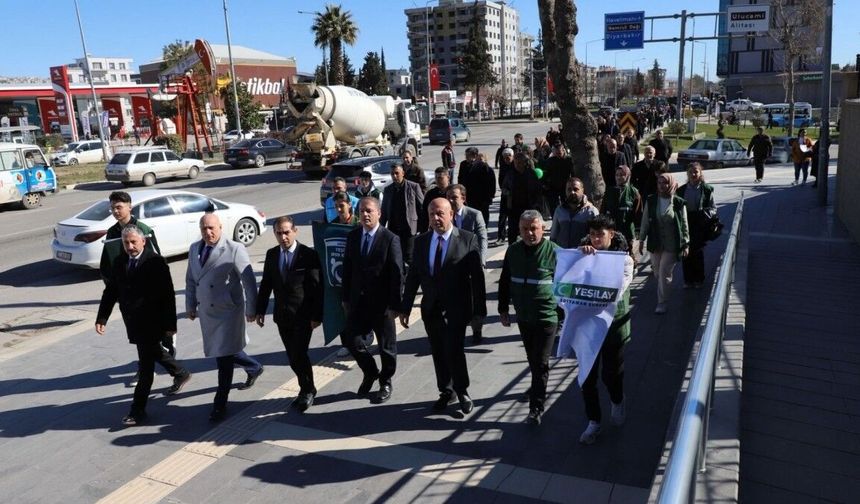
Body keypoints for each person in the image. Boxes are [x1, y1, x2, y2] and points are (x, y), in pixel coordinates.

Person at [96, 225, 192, 426]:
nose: (130, 246)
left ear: (143, 242)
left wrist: (170, 325)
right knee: (154, 352)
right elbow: (111, 291)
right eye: (126, 243)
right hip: (133, 322)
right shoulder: (119, 262)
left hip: (153, 322)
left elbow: (168, 296)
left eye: (133, 242)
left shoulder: (156, 262)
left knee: (146, 367)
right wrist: (102, 317)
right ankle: (180, 373)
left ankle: (137, 410)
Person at [400, 198, 486, 414]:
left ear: (451, 215)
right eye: (431, 215)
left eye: (440, 214)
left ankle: (462, 390)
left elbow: (477, 279)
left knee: (455, 350)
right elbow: (414, 276)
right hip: (431, 309)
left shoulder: (467, 239)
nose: (436, 218)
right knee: (438, 351)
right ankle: (446, 391)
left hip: (457, 308)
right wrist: (406, 306)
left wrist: (479, 312)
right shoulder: (421, 242)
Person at [186, 213, 263, 422]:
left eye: (212, 228)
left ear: (220, 227)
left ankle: (220, 403)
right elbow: (191, 280)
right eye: (204, 229)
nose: (208, 232)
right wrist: (190, 304)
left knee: (223, 358)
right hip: (208, 312)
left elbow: (248, 281)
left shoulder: (234, 248)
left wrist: (251, 309)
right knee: (224, 352)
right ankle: (254, 367)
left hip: (228, 311)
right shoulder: (195, 248)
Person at [576, 215, 634, 444]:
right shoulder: (582, 253)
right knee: (587, 377)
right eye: (592, 234)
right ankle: (593, 421)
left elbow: (615, 292)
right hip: (587, 327)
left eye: (601, 234)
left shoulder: (625, 261)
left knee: (611, 374)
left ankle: (618, 400)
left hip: (613, 327)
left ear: (612, 234)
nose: (596, 239)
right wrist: (581, 260)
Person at [255, 216, 323, 413]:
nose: (283, 237)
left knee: (299, 353)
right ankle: (307, 387)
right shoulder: (272, 254)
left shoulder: (308, 255)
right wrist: (260, 310)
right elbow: (266, 284)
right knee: (292, 357)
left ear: (295, 231)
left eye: (286, 232)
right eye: (279, 233)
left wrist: (317, 316)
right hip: (282, 316)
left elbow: (317, 288)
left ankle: (307, 390)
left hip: (303, 316)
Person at [99, 191, 166, 388]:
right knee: (140, 335)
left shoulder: (142, 229)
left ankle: (156, 369)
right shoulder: (112, 233)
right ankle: (171, 366)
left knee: (146, 336)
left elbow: (156, 260)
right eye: (112, 208)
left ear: (130, 207)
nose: (115, 211)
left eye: (119, 207)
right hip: (127, 297)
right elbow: (106, 266)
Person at [498, 210, 559, 426]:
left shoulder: (554, 252)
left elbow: (572, 277)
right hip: (524, 316)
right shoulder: (513, 251)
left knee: (541, 362)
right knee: (532, 359)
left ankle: (536, 407)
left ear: (543, 229)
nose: (529, 233)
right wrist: (503, 308)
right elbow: (505, 279)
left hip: (546, 317)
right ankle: (535, 387)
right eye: (525, 229)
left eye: (534, 228)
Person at [342, 197, 404, 404]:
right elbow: (347, 269)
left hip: (382, 305)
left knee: (387, 347)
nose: (365, 214)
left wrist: (395, 305)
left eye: (369, 210)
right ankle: (370, 371)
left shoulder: (390, 239)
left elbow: (397, 274)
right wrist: (345, 298)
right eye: (362, 211)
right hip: (358, 303)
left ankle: (385, 381)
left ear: (379, 213)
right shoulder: (353, 237)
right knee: (351, 340)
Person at [638, 173, 690, 314]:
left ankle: (662, 302)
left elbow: (684, 224)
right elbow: (644, 221)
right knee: (656, 270)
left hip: (672, 243)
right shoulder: (652, 200)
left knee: (664, 271)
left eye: (665, 183)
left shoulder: (678, 202)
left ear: (671, 184)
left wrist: (685, 244)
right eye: (659, 182)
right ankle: (664, 288)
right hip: (655, 242)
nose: (662, 185)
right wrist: (641, 239)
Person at [677, 163, 716, 289]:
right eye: (691, 172)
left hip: (700, 223)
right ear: (687, 174)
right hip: (685, 222)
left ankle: (699, 279)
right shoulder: (681, 190)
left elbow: (713, 208)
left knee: (698, 252)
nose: (693, 175)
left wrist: (706, 214)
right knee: (686, 251)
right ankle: (688, 280)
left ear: (700, 173)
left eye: (696, 172)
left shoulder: (706, 189)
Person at [381, 163, 424, 266]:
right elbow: (384, 212)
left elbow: (422, 207)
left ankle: (411, 280)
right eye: (392, 174)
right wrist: (381, 229)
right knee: (395, 257)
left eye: (397, 173)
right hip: (394, 230)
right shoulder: (388, 190)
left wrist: (421, 227)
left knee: (409, 257)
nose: (394, 176)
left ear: (403, 173)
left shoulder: (413, 187)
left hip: (409, 230)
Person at [503, 152, 544, 245]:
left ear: (525, 163)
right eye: (516, 163)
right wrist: (509, 193)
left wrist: (538, 207)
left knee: (530, 231)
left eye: (520, 162)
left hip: (529, 208)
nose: (517, 165)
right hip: (514, 208)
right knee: (512, 232)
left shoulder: (531, 174)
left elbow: (538, 191)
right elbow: (504, 188)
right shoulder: (510, 174)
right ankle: (512, 252)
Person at [550, 177, 600, 249]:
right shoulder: (559, 210)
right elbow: (553, 236)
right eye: (569, 189)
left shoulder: (591, 211)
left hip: (582, 255)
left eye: (575, 189)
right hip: (562, 254)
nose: (572, 192)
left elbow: (597, 237)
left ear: (582, 190)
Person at [602, 166, 642, 254]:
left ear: (628, 176)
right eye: (617, 175)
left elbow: (638, 213)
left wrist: (638, 230)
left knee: (627, 258)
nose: (619, 177)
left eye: (622, 175)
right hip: (611, 232)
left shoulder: (634, 192)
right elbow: (603, 211)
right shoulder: (609, 191)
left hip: (627, 232)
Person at [458, 151, 496, 227]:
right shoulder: (472, 170)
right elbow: (467, 183)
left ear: (485, 160)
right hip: (473, 199)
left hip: (484, 199)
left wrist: (490, 196)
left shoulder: (489, 170)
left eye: (481, 160)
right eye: (478, 160)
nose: (479, 162)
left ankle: (484, 228)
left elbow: (492, 184)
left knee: (484, 215)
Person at [543, 142, 573, 217]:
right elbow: (546, 174)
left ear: (563, 151)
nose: (558, 154)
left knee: (566, 205)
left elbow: (573, 173)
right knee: (553, 206)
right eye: (556, 153)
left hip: (565, 185)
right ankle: (555, 220)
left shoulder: (568, 160)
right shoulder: (550, 161)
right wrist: (544, 183)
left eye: (559, 152)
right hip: (553, 186)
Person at [496, 147, 516, 244]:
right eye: (504, 157)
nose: (506, 159)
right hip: (505, 194)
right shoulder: (503, 166)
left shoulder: (516, 166)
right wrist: (503, 189)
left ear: (512, 156)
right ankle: (501, 236)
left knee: (513, 216)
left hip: (514, 196)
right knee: (502, 216)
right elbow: (500, 178)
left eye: (508, 157)